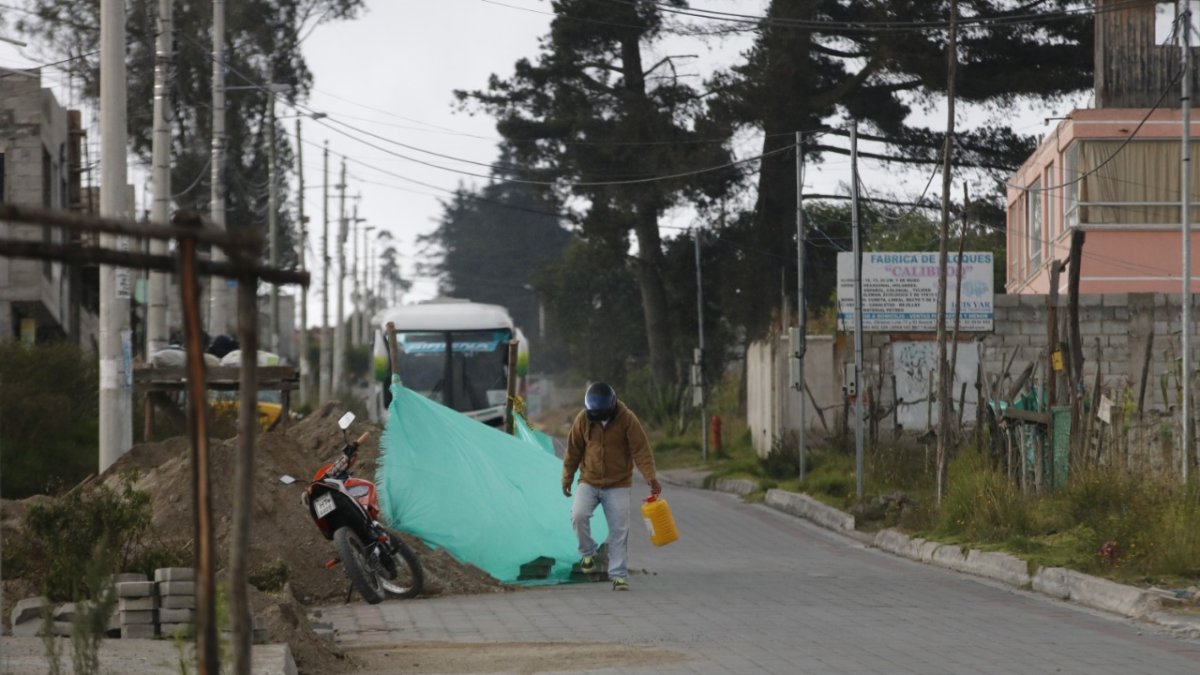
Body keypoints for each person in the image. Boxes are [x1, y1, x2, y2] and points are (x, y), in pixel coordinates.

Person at [562, 381, 661, 591]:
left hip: (618, 484)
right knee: (578, 515)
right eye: (594, 414)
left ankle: (619, 576)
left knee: (619, 530)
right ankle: (587, 553)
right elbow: (573, 451)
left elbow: (641, 449)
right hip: (589, 480)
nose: (598, 418)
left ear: (612, 406)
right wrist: (567, 478)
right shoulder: (583, 419)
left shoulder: (627, 419)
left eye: (602, 414)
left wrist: (650, 478)